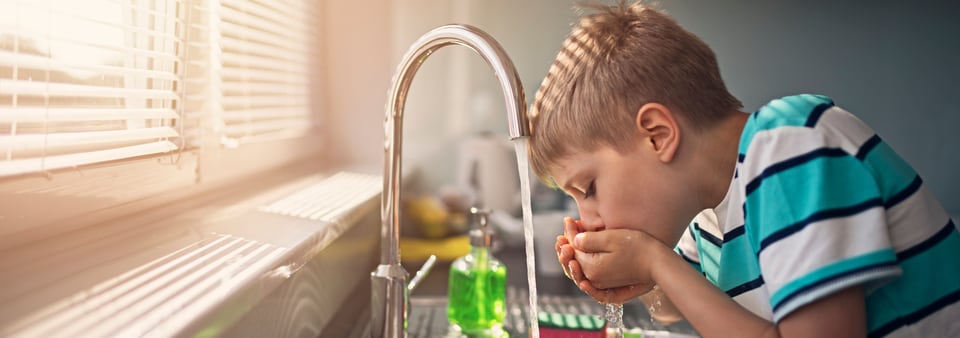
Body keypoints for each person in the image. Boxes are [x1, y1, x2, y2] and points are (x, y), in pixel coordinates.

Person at [526, 1, 960, 337]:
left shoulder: (789, 144)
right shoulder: (709, 211)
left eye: (588, 187)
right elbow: (677, 304)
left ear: (657, 135)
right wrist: (640, 278)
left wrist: (655, 264)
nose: (587, 220)